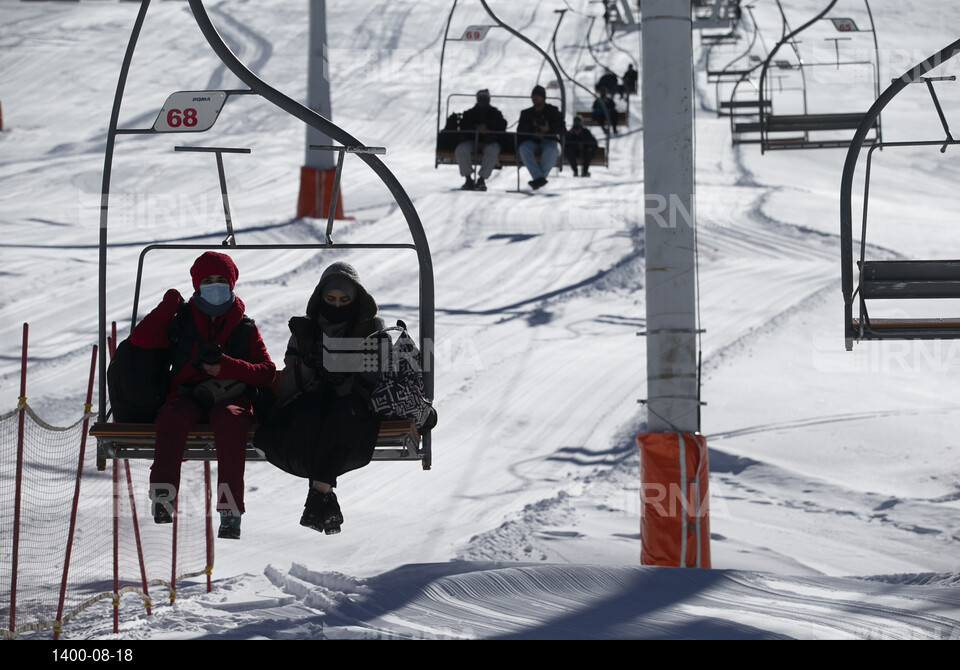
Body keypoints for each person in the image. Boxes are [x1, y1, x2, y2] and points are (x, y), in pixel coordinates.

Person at [130, 251, 276, 540]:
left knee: (229, 420)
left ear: (232, 283)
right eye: (207, 280)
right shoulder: (182, 320)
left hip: (231, 396)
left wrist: (227, 366)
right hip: (188, 394)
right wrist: (167, 306)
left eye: (221, 280)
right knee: (173, 416)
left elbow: (266, 372)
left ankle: (230, 509)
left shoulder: (244, 326)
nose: (215, 285)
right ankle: (163, 495)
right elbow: (140, 339)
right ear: (197, 285)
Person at [254, 262, 386, 536]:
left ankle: (319, 495)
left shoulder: (371, 328)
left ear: (355, 300)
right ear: (320, 299)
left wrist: (349, 373)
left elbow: (379, 375)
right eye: (331, 299)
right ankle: (322, 496)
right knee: (312, 413)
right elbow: (289, 386)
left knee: (345, 413)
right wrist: (308, 364)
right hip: (312, 404)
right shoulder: (305, 331)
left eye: (344, 300)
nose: (337, 306)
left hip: (354, 405)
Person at [455, 89, 507, 191]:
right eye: (481, 98)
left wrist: (488, 128)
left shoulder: (495, 113)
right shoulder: (470, 113)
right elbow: (463, 126)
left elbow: (502, 125)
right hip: (473, 141)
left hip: (489, 141)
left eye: (485, 98)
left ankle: (482, 179)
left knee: (493, 150)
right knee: (461, 149)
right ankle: (468, 179)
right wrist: (476, 128)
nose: (483, 100)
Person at [517, 85, 565, 190]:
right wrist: (532, 126)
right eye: (533, 96)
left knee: (551, 150)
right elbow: (520, 131)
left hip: (549, 140)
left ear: (543, 97)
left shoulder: (552, 111)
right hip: (532, 141)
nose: (535, 98)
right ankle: (540, 178)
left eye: (537, 96)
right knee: (524, 148)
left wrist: (548, 129)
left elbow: (562, 129)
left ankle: (538, 179)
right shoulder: (526, 114)